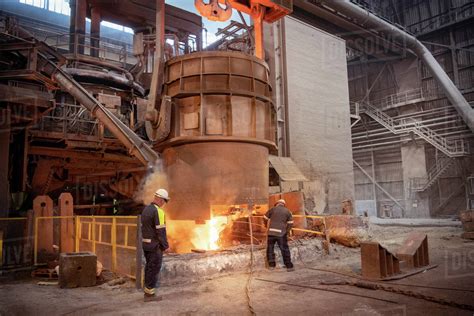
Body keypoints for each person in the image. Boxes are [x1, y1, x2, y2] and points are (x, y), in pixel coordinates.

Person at [141, 188, 170, 302]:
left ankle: (147, 291)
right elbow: (161, 231)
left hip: (146, 244)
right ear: (160, 199)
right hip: (154, 246)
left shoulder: (146, 210)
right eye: (164, 201)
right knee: (154, 268)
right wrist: (166, 246)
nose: (164, 203)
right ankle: (149, 295)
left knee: (149, 267)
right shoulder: (158, 211)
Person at [264, 199, 294, 271]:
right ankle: (289, 266)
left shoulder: (272, 209)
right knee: (284, 249)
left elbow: (265, 218)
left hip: (271, 233)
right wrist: (286, 231)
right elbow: (290, 223)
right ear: (284, 204)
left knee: (270, 249)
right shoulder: (287, 211)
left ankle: (271, 265)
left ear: (276, 204)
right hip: (281, 234)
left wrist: (266, 225)